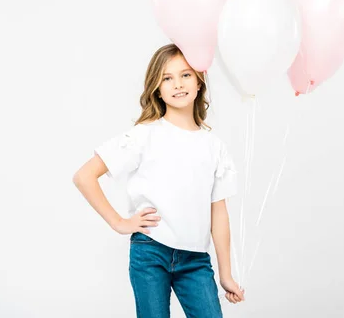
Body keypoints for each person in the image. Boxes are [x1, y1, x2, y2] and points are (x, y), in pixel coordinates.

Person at [72, 43, 245, 317]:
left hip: (196, 260)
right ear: (157, 88)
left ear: (199, 82)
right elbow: (84, 176)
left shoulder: (214, 147)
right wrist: (119, 223)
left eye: (186, 75)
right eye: (167, 78)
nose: (177, 84)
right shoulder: (144, 135)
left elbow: (219, 213)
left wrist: (226, 274)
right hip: (151, 252)